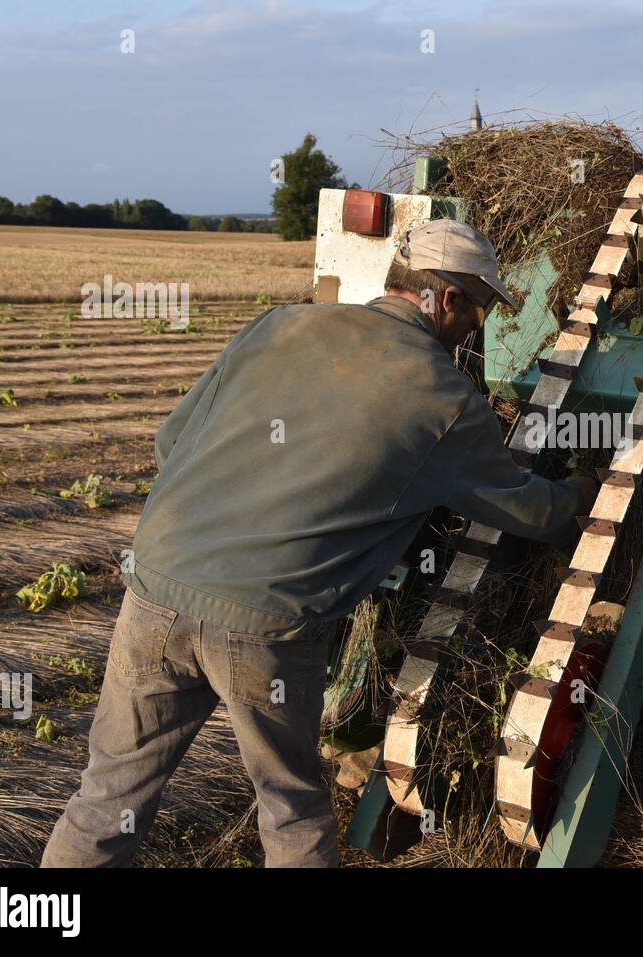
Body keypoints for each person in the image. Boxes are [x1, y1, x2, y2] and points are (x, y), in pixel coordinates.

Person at [42, 219, 598, 867]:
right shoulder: (442, 398)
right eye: (476, 311)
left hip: (155, 584)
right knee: (291, 808)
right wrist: (583, 494)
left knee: (108, 792)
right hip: (266, 622)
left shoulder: (280, 325)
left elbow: (173, 443)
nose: (474, 329)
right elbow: (526, 508)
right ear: (444, 299)